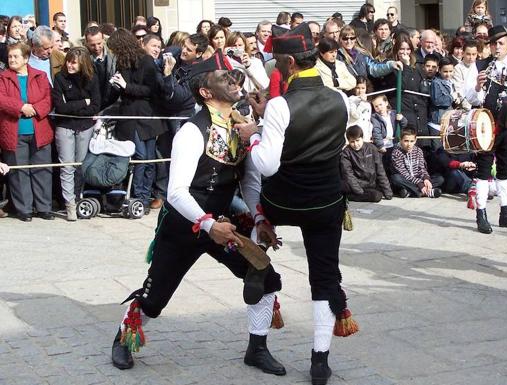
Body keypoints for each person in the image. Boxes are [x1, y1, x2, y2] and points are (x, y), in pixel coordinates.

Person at [110, 50, 285, 375]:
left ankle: (257, 349)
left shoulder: (239, 127)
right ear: (205, 91)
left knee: (266, 277)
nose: (235, 81)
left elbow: (247, 178)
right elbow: (175, 192)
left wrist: (258, 218)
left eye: (234, 75)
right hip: (184, 226)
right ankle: (122, 339)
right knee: (155, 300)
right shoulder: (192, 131)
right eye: (225, 77)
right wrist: (206, 224)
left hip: (224, 227)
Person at [240, 22, 359, 385]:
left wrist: (255, 134)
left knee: (259, 259)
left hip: (282, 201)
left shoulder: (279, 105)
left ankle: (257, 342)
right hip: (326, 200)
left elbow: (267, 163)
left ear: (290, 62)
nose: (274, 67)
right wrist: (268, 120)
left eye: (277, 61)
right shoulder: (341, 98)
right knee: (323, 278)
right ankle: (320, 360)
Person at [471, 25, 507, 234]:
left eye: (501, 43)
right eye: (493, 43)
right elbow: (469, 98)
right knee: (483, 170)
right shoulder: (480, 66)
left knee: (505, 169)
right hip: (487, 124)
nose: (497, 47)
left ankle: (506, 212)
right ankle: (481, 214)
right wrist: (477, 86)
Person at [107, 29, 167, 214]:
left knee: (145, 158)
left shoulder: (146, 60)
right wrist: (115, 85)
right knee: (142, 157)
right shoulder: (123, 63)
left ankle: (141, 196)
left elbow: (150, 90)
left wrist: (127, 86)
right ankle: (139, 196)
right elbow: (119, 91)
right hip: (131, 115)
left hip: (144, 117)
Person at [0, 42, 54, 221]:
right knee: (19, 171)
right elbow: (1, 99)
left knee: (41, 170)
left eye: (15, 56)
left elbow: (48, 99)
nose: (12, 60)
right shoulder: (3, 77)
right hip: (14, 132)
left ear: (25, 58)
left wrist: (35, 109)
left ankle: (44, 207)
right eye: (10, 57)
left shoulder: (40, 76)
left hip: (39, 131)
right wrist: (21, 107)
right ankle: (25, 210)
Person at [51, 47, 101, 221]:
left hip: (85, 127)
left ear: (83, 64)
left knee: (80, 165)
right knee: (67, 165)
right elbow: (60, 107)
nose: (69, 65)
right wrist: (83, 103)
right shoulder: (60, 78)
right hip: (64, 126)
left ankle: (78, 197)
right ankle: (69, 204)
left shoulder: (92, 79)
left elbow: (95, 106)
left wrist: (76, 107)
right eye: (68, 61)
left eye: (74, 62)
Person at [341, 125, 392, 202]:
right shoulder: (346, 152)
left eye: (357, 140)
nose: (355, 144)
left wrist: (388, 192)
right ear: (348, 141)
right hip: (355, 184)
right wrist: (359, 191)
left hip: (371, 183)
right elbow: (348, 174)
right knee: (376, 196)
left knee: (380, 192)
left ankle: (351, 196)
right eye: (352, 141)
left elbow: (380, 171)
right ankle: (351, 196)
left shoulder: (372, 148)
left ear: (362, 138)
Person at [390, 129, 443, 198]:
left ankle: (410, 192)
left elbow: (422, 168)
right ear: (401, 140)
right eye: (406, 141)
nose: (409, 144)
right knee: (396, 178)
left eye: (411, 141)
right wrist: (420, 184)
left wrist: (426, 179)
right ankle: (426, 192)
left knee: (440, 179)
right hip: (406, 180)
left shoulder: (418, 151)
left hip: (417, 179)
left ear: (415, 141)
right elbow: (404, 173)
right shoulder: (396, 153)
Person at [84, 26, 117, 108]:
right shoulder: (83, 58)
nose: (96, 48)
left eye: (99, 43)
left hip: (111, 101)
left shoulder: (114, 56)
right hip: (91, 103)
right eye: (92, 45)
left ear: (103, 40)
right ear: (86, 42)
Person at [371, 94, 408, 162]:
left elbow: (405, 125)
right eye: (376, 106)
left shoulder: (393, 113)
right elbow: (376, 132)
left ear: (386, 103)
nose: (379, 107)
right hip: (382, 145)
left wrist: (402, 119)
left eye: (380, 104)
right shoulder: (374, 117)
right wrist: (380, 145)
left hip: (393, 143)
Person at [347, 76, 373, 141]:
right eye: (358, 88)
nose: (360, 91)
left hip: (365, 137)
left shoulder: (368, 103)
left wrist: (369, 134)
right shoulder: (351, 99)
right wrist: (362, 102)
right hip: (355, 136)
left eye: (363, 88)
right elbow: (355, 115)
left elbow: (368, 120)